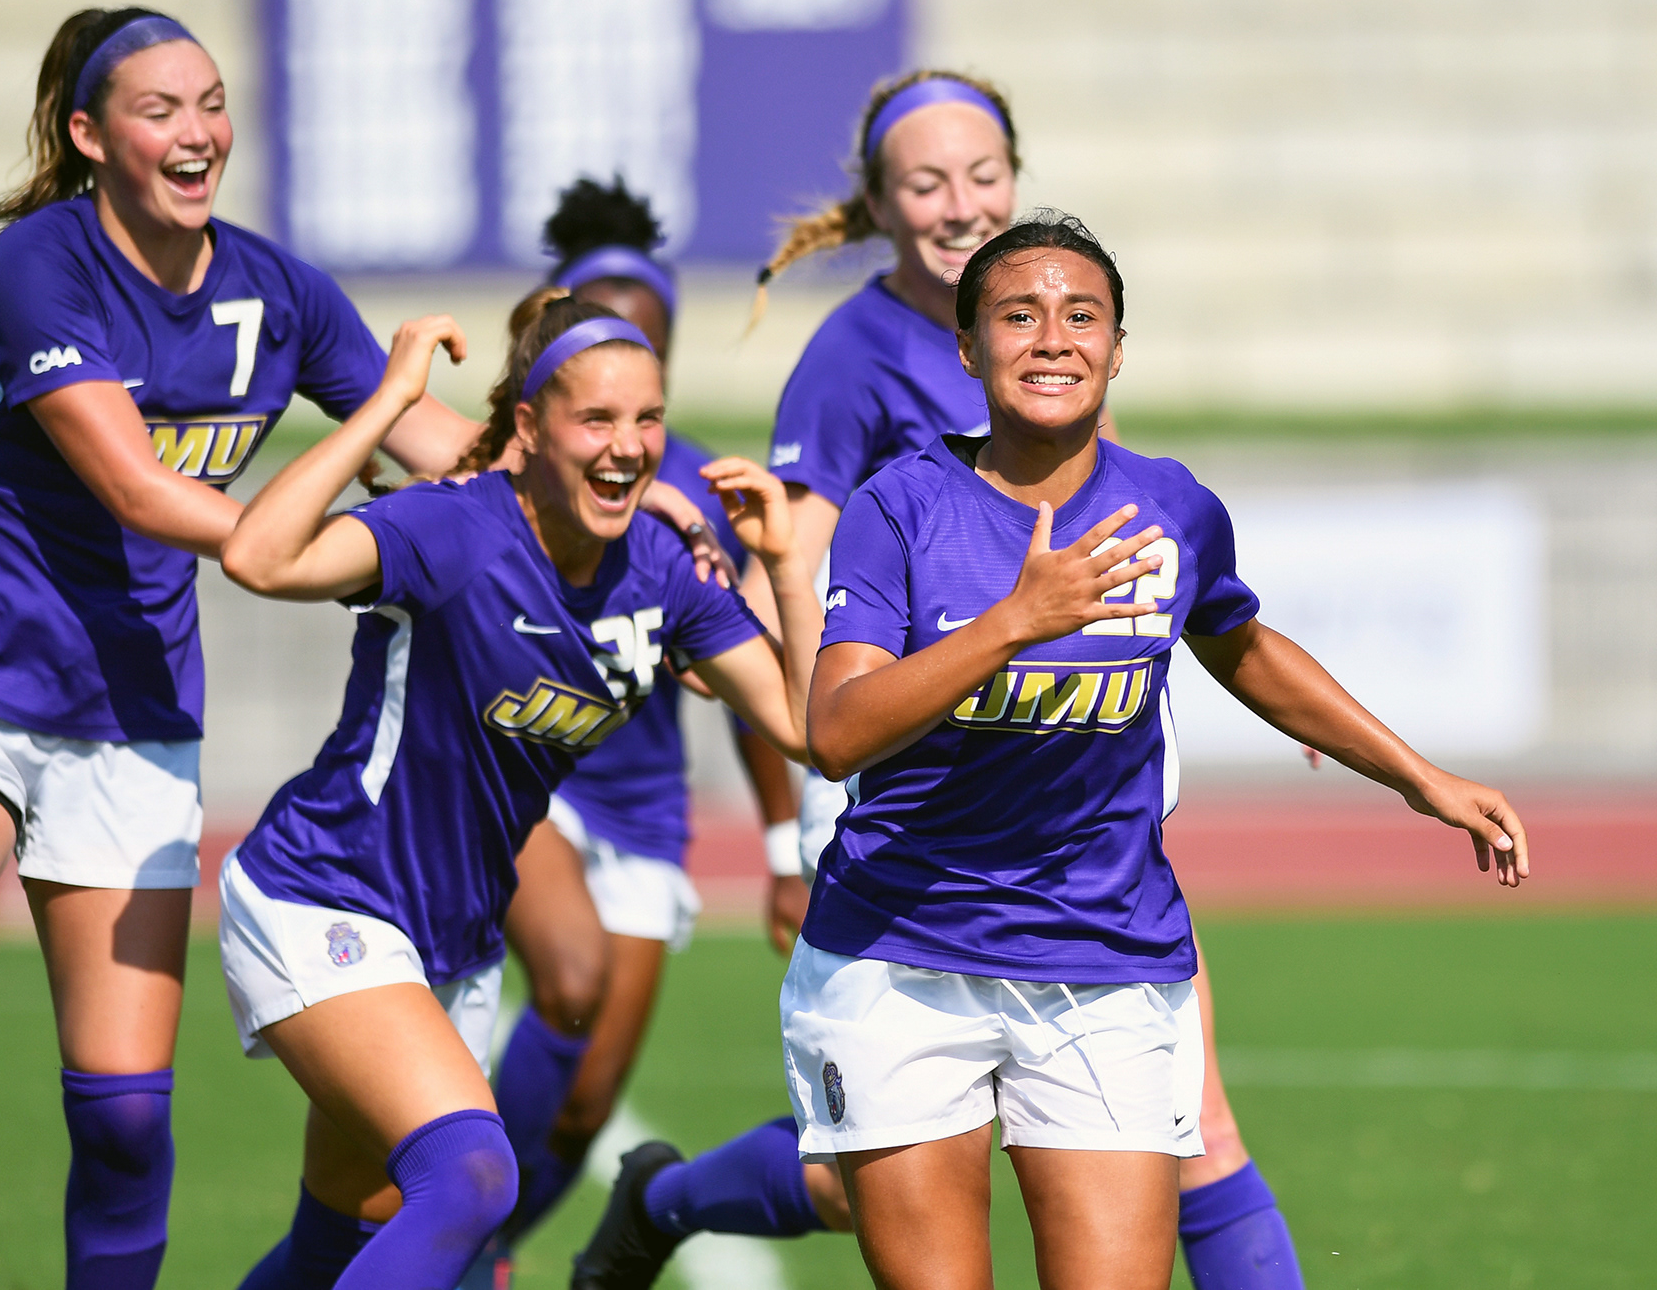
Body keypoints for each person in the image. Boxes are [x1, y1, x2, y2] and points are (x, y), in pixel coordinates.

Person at [581, 70, 1299, 1290]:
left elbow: (1157, 560)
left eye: (983, 175)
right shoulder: (853, 357)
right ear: (877, 202)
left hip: (1083, 803)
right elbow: (801, 564)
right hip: (899, 780)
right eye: (925, 183)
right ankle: (675, 1194)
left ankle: (669, 1193)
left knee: (1194, 1129)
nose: (960, 203)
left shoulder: (1047, 296)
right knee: (874, 1183)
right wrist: (784, 788)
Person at [0, 8, 474, 1290]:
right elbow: (140, 490)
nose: (199, 134)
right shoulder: (38, 268)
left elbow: (450, 454)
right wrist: (303, 543)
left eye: (213, 104)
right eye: (160, 110)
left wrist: (622, 495)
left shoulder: (278, 289)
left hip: (132, 715)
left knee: (125, 1114)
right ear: (88, 134)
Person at [787, 214, 1524, 1289]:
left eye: (1081, 315)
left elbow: (1246, 646)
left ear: (1118, 348)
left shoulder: (1170, 504)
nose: (1052, 338)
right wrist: (1012, 621)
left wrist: (1421, 777)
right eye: (1018, 315)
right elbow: (837, 730)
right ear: (967, 349)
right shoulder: (898, 507)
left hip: (1107, 959)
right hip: (901, 956)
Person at [219, 296, 823, 1290]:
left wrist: (788, 565)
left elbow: (808, 727)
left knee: (341, 1242)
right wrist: (388, 404)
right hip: (327, 891)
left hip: (451, 940)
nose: (628, 447)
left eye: (648, 420)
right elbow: (258, 555)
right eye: (597, 419)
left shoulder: (663, 571)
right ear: (531, 429)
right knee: (472, 1178)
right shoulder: (455, 528)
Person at [478, 178, 813, 1280]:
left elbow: (765, 697)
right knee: (567, 982)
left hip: (638, 804)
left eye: (647, 353)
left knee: (582, 1111)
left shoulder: (703, 488)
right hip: (524, 780)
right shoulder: (494, 474)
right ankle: (458, 1238)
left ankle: (491, 1248)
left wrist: (780, 846)